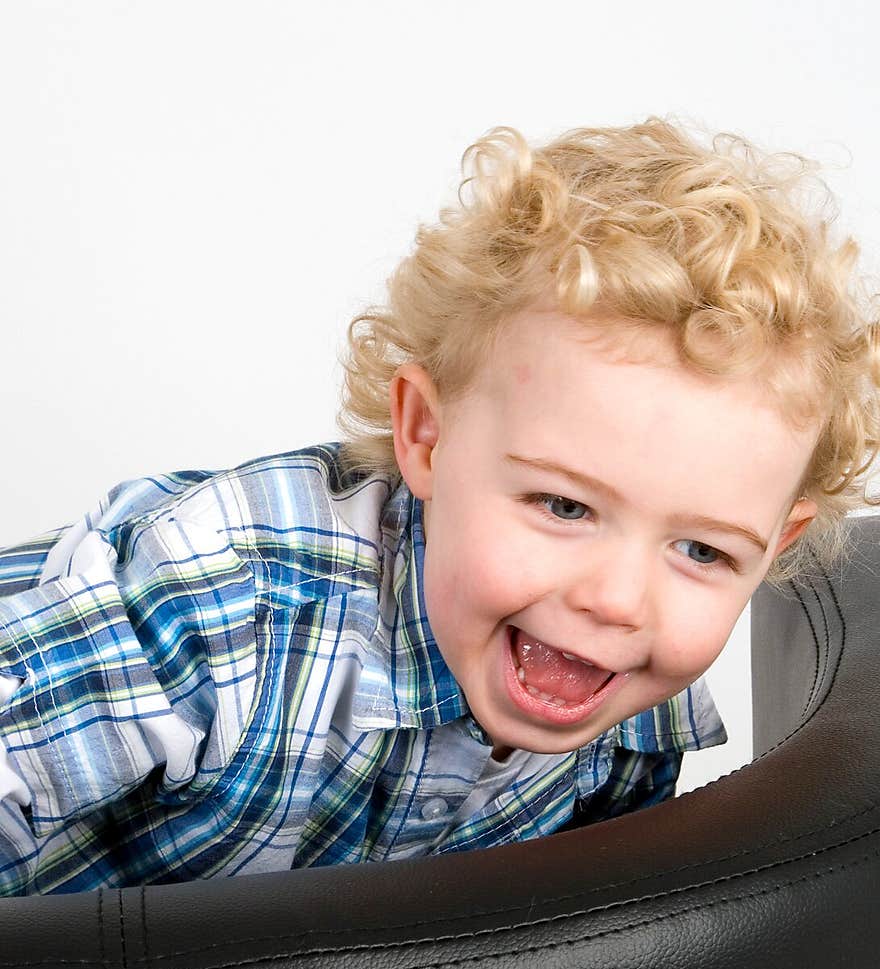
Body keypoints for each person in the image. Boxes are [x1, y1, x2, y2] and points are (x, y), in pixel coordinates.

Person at [0, 118, 877, 894]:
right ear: (425, 437)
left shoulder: (634, 711)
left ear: (773, 549)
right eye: (565, 506)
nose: (619, 599)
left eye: (702, 552)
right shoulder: (226, 597)